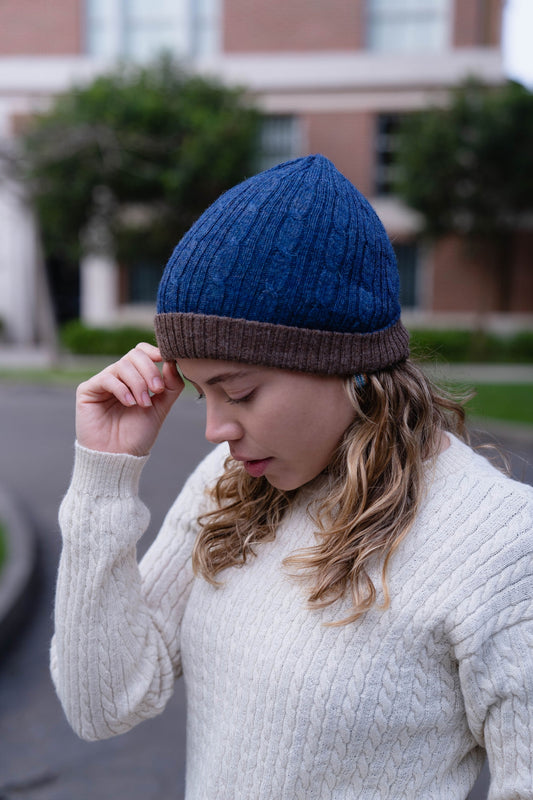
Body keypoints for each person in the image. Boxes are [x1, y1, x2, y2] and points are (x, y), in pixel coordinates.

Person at [51, 155, 533, 799]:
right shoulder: (226, 484)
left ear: (350, 364)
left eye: (240, 392)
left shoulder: (500, 544)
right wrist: (105, 477)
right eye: (200, 393)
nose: (215, 430)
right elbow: (101, 705)